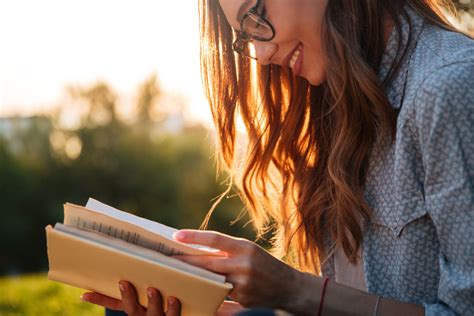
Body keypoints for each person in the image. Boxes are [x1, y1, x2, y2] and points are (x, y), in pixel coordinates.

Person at [81, 0, 474, 315]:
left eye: (256, 17)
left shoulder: (448, 87)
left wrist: (293, 289)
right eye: (245, 39)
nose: (263, 54)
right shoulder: (337, 111)